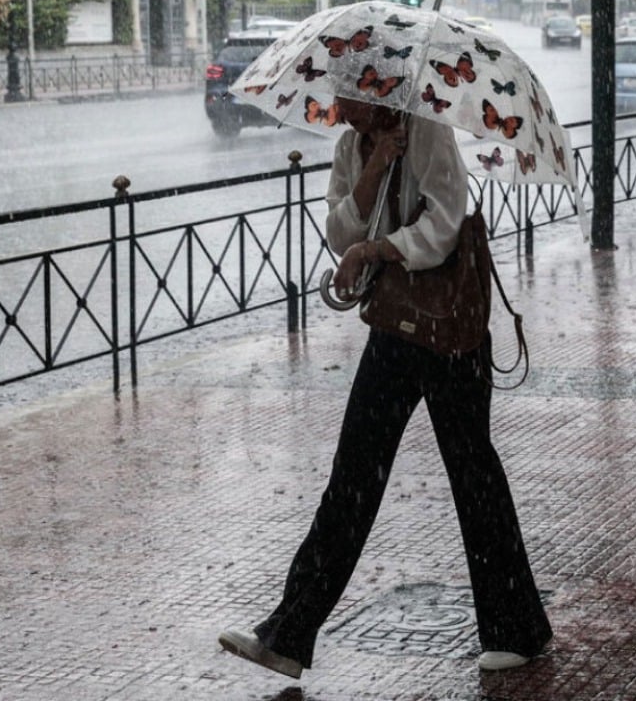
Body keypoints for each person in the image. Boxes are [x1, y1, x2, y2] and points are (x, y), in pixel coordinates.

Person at [217, 96, 552, 678]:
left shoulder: (427, 131)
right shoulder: (352, 145)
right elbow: (339, 231)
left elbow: (445, 223)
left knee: (473, 474)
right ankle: (289, 635)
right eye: (335, 94)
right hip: (395, 326)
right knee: (352, 479)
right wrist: (373, 171)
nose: (337, 105)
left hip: (450, 331)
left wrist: (378, 247)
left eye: (348, 94)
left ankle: (516, 628)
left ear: (377, 89)